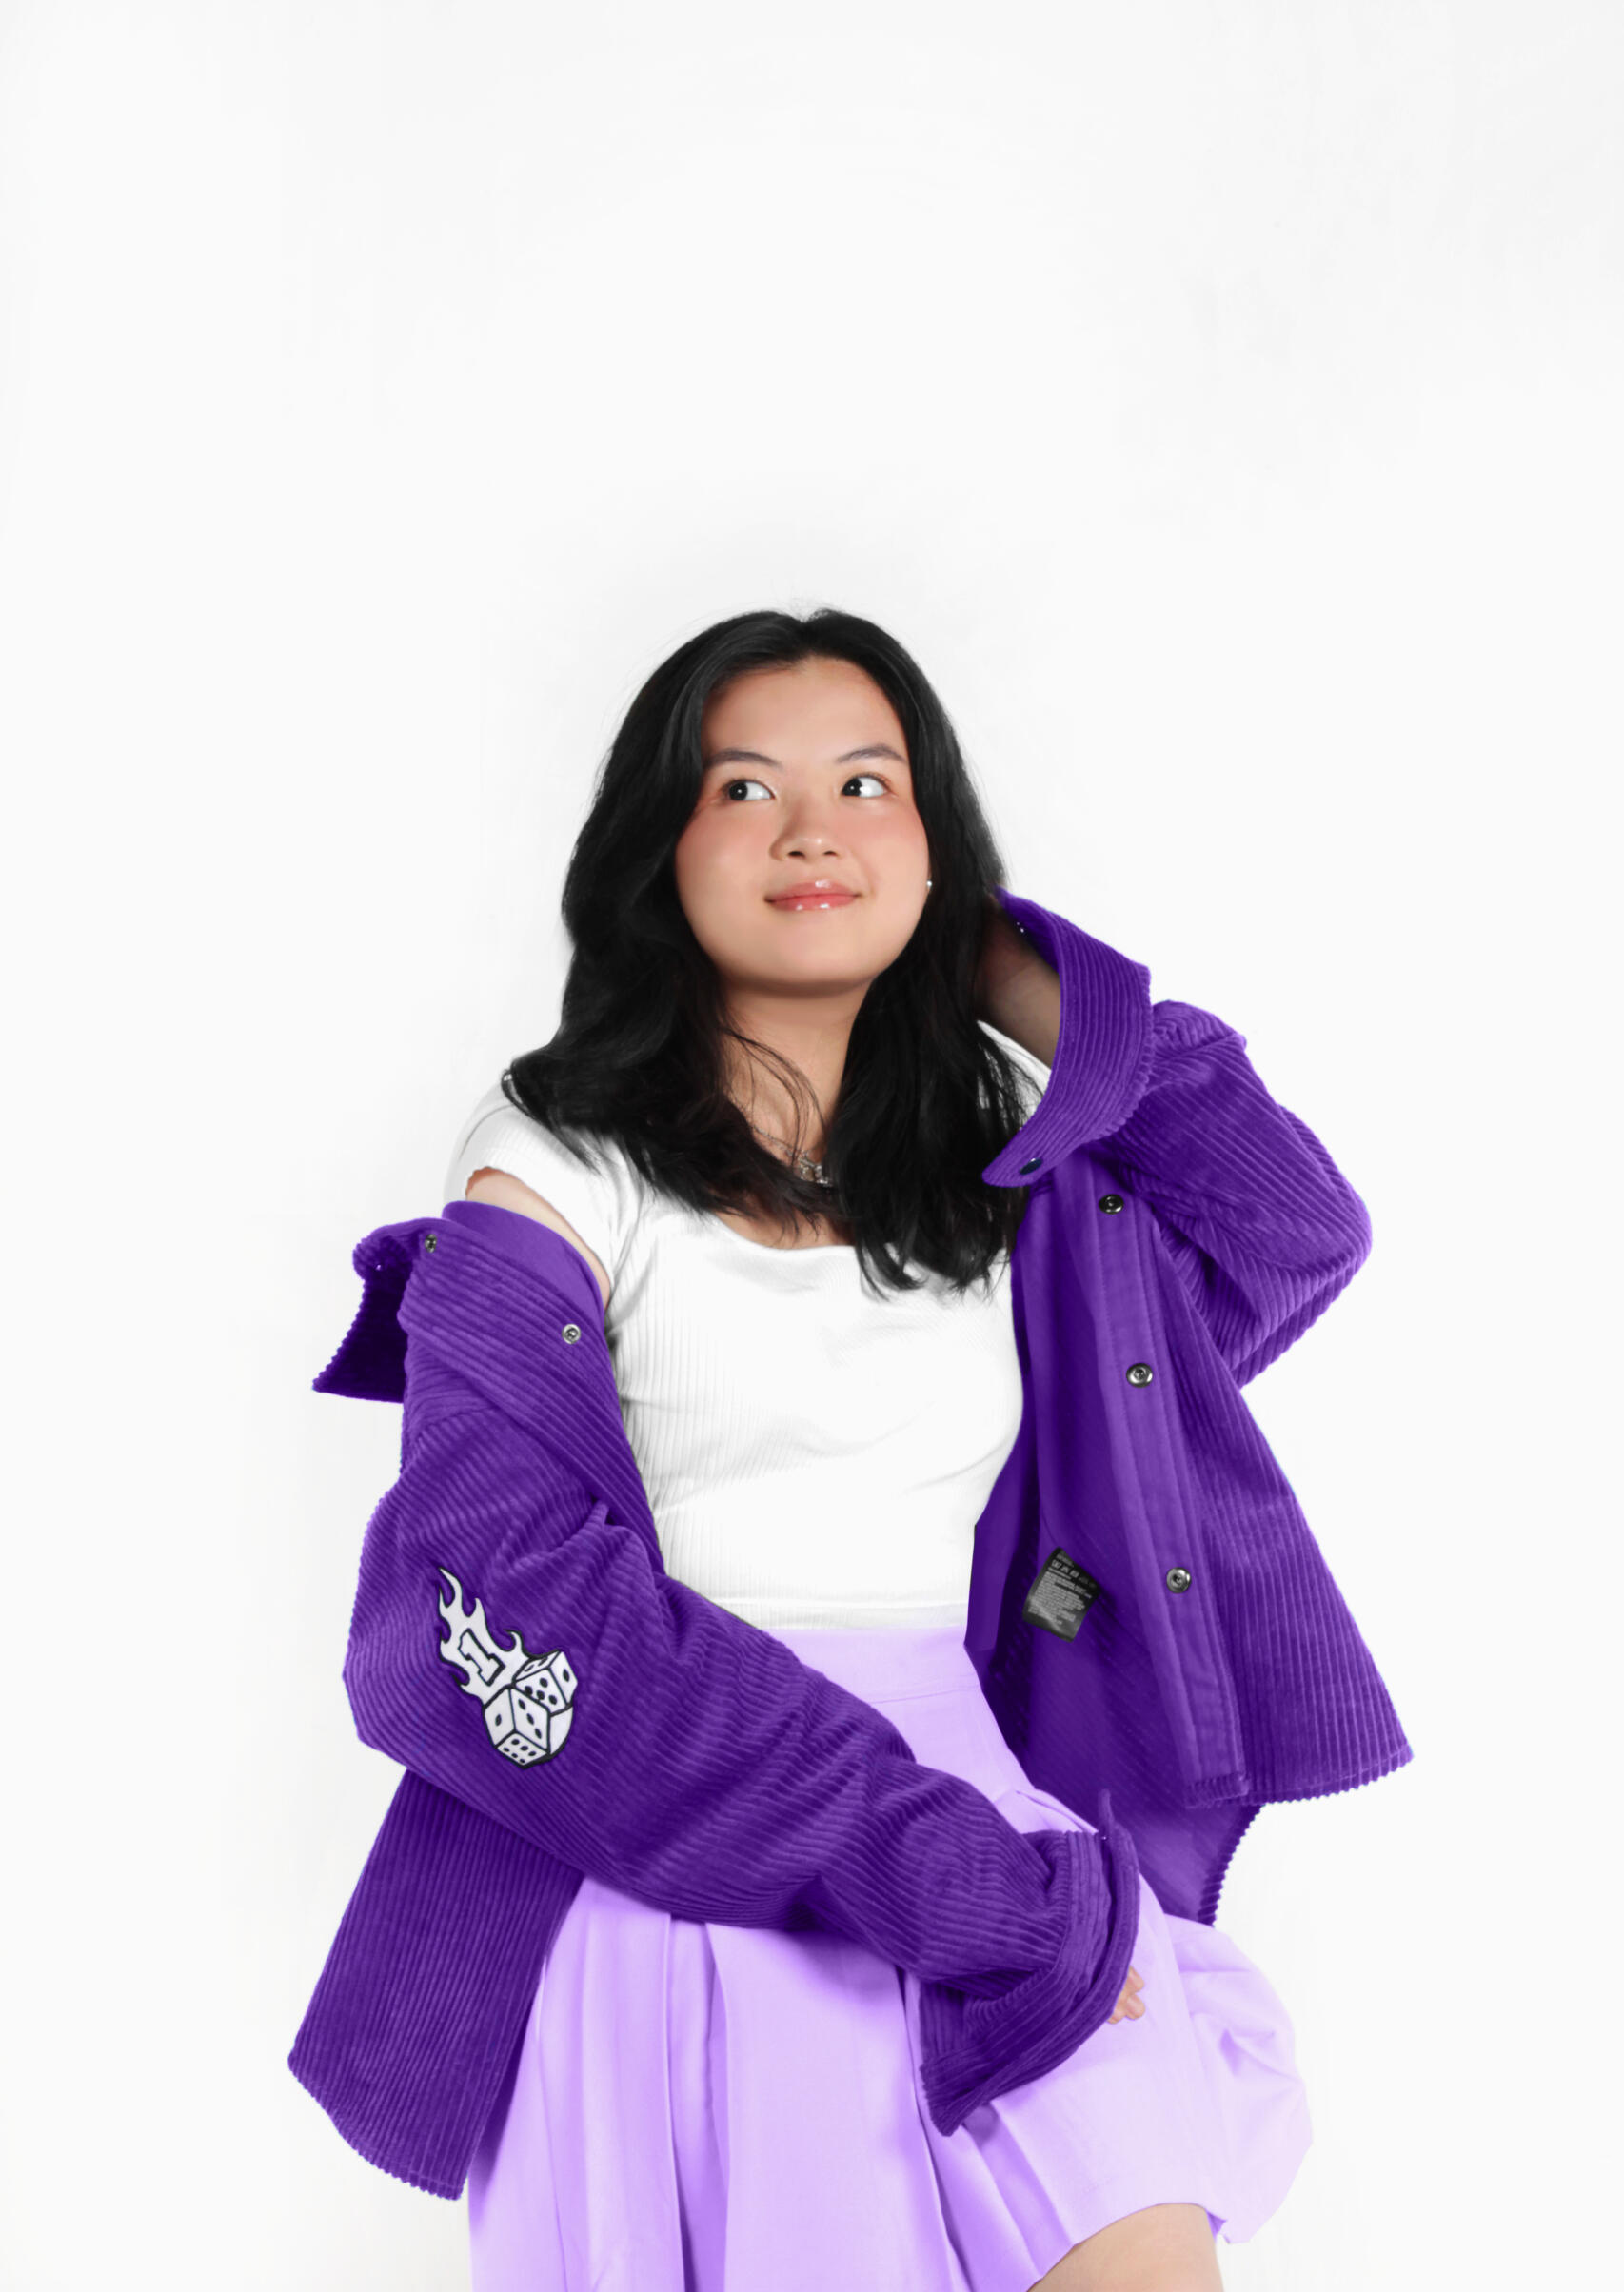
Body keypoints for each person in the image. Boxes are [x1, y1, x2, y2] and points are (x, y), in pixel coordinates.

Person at [430, 607, 1359, 2292]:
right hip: (681, 1829)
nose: (812, 832)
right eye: (744, 789)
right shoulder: (555, 1156)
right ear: (658, 850)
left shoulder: (1005, 1150)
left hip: (987, 1804)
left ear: (937, 841)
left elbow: (1289, 1227)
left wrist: (1002, 971)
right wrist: (937, 1876)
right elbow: (504, 1572)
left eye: (868, 786)